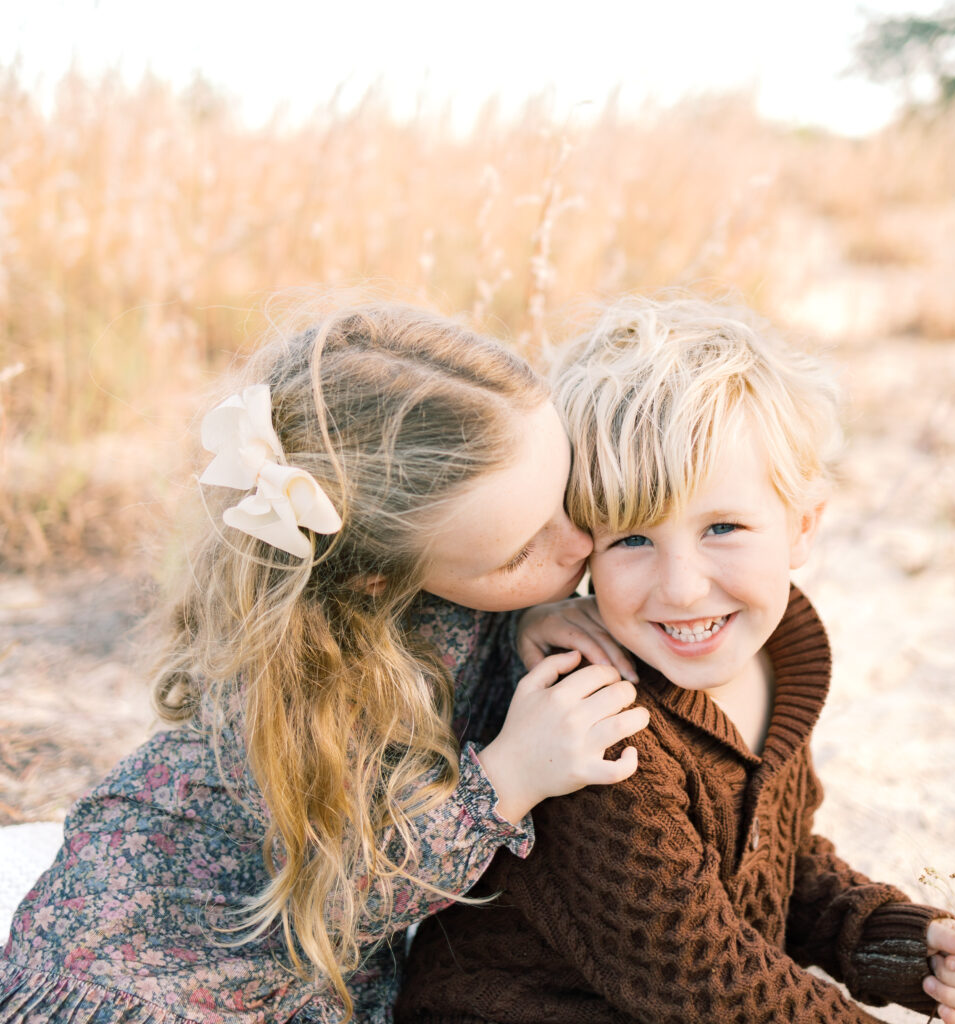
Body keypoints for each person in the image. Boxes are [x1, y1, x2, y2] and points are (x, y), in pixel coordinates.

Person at [0, 302, 648, 1024]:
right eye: (517, 553)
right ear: (376, 576)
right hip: (161, 982)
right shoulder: (293, 686)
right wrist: (506, 779)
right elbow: (341, 897)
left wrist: (524, 617)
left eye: (563, 497)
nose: (579, 543)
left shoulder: (442, 567)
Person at [396, 296, 955, 1024]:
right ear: (583, 547)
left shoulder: (774, 656)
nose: (680, 586)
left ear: (801, 525)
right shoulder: (603, 727)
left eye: (723, 527)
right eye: (631, 541)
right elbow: (707, 980)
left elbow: (777, 860)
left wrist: (890, 949)